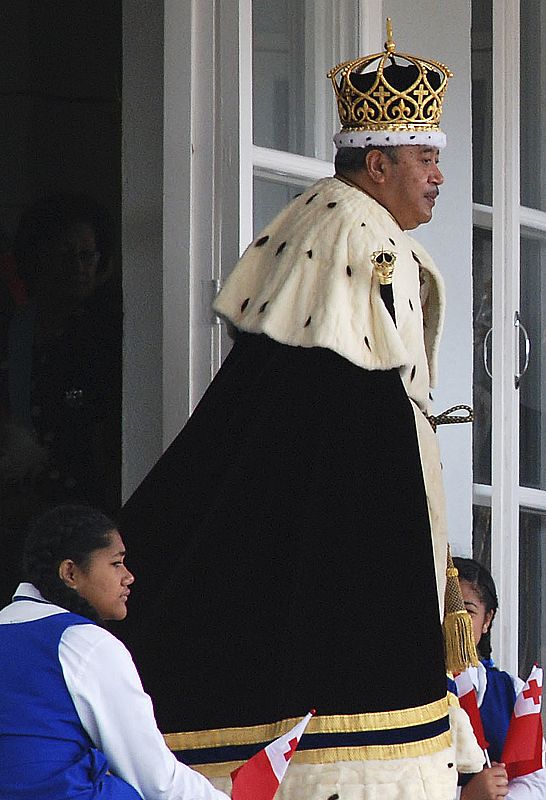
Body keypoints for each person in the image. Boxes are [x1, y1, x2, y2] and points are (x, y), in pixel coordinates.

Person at [118, 20, 483, 800]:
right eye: (426, 159)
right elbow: (345, 422)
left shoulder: (354, 223)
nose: (438, 177)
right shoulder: (352, 235)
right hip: (352, 558)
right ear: (377, 163)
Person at [0, 504, 230, 800]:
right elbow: (156, 781)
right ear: (70, 572)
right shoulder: (85, 642)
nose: (129, 576)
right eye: (116, 563)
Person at [454, 556, 546, 799]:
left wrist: (500, 794)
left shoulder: (512, 691)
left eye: (468, 611)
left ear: (487, 620)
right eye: (445, 611)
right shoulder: (411, 697)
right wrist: (464, 795)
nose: (455, 622)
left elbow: (538, 781)